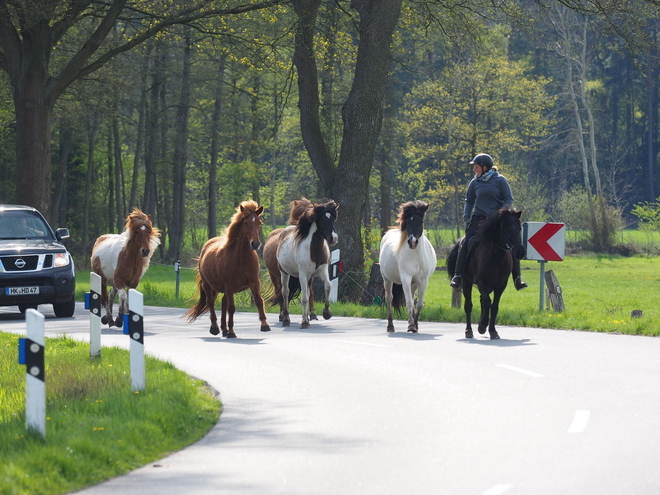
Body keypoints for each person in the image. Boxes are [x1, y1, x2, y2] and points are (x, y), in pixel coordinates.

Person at [450, 153, 527, 291]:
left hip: (497, 221)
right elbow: (469, 201)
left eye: (476, 167)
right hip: (478, 219)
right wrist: (466, 218)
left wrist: (501, 212)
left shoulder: (500, 180)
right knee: (466, 243)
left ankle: (517, 278)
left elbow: (508, 199)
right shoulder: (474, 183)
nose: (474, 170)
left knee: (512, 243)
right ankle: (458, 275)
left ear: (485, 168)